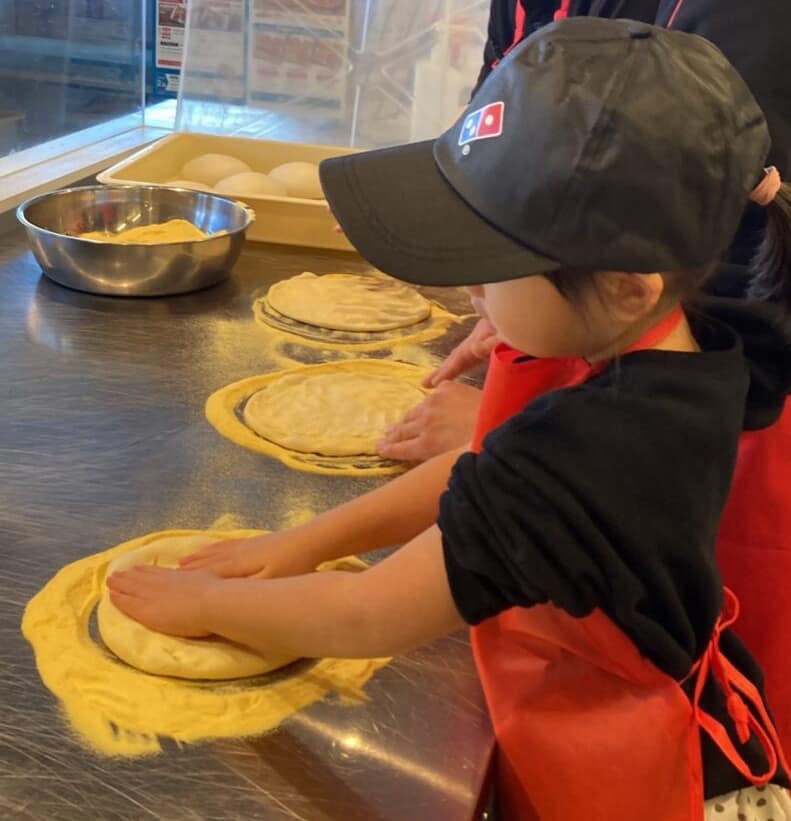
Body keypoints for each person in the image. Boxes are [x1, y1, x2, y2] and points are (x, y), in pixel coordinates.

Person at [108, 19, 791, 820]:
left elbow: (368, 614)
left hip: (632, 786)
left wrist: (206, 607)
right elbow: (481, 482)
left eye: (492, 265)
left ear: (625, 286)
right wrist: (300, 543)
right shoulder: (688, 355)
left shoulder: (597, 453)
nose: (469, 291)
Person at [379, 0, 791, 462]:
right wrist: (508, 297)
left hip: (697, 432)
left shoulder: (752, 22)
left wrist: (528, 431)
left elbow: (748, 279)